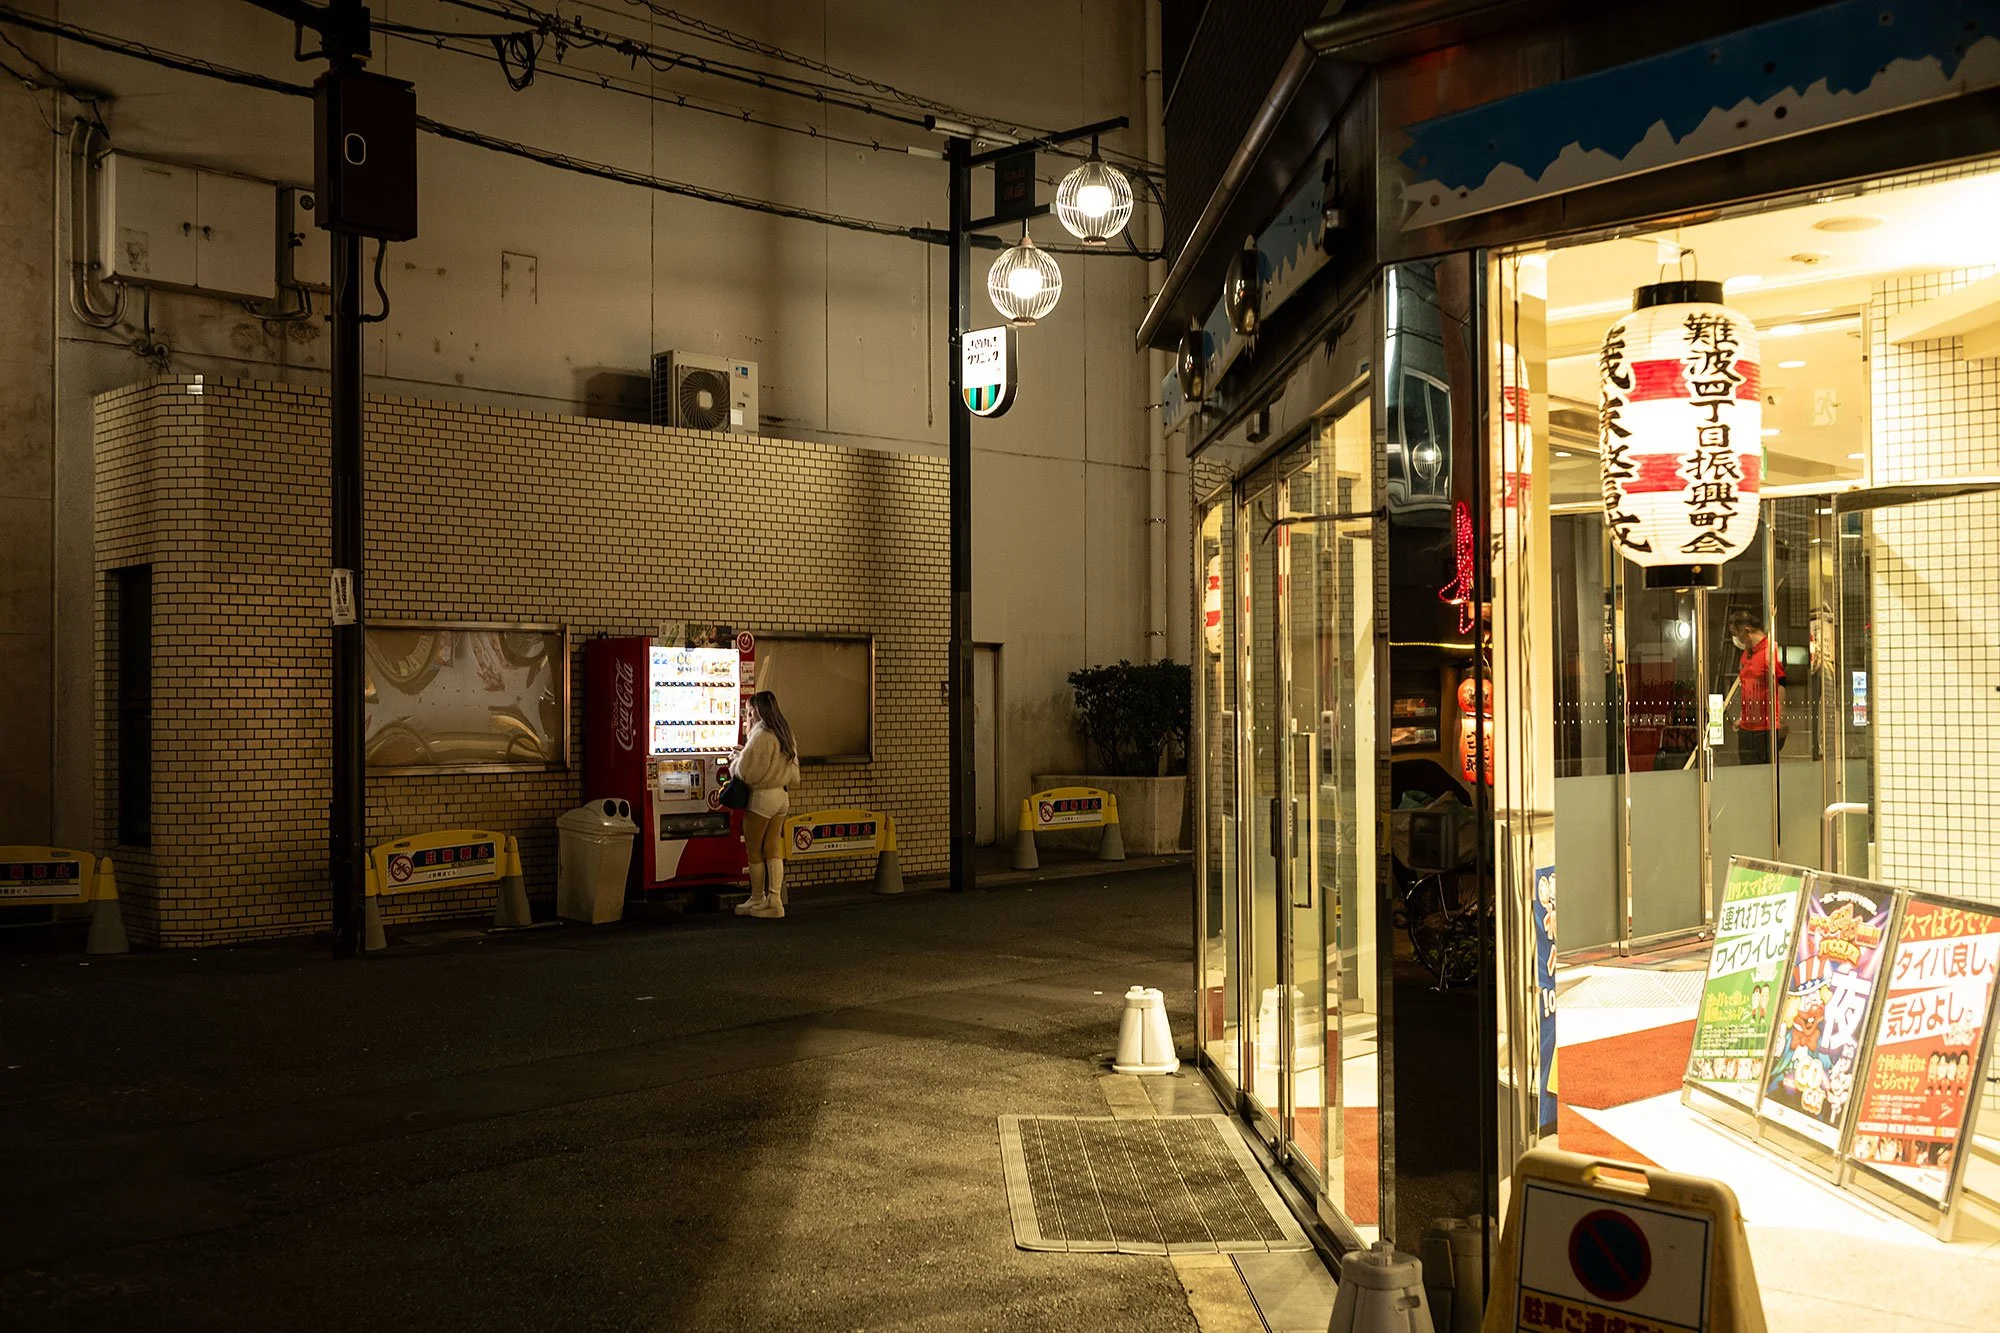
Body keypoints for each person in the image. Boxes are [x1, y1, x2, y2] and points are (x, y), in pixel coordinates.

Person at [731, 691, 800, 920]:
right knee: (773, 847)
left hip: (762, 797)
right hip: (781, 797)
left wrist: (736, 761)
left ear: (759, 711)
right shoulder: (784, 730)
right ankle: (775, 900)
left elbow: (747, 773)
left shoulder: (761, 734)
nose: (748, 716)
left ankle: (757, 897)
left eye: (750, 712)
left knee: (753, 849)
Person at [1729, 608, 1784, 764]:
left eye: (1736, 634)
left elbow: (1780, 685)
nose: (1735, 639)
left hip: (1764, 728)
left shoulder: (1769, 652)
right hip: (1747, 728)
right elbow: (1748, 686)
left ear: (1747, 631)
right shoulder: (1746, 654)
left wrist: (1781, 719)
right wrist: (1743, 716)